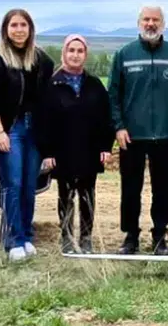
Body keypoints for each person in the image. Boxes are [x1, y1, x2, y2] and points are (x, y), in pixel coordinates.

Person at [108, 5, 168, 255]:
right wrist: (118, 126)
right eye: (146, 19)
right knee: (131, 188)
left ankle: (159, 236)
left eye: (155, 20)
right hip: (132, 135)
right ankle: (131, 236)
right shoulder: (125, 54)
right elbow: (113, 95)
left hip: (165, 134)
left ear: (163, 24)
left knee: (163, 188)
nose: (150, 24)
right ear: (139, 23)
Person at [0, 8, 54, 262]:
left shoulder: (42, 61)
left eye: (23, 25)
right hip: (10, 128)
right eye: (14, 25)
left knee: (29, 186)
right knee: (13, 184)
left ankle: (26, 236)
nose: (19, 30)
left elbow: (46, 100)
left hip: (36, 129)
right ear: (6, 30)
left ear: (30, 29)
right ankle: (12, 241)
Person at [35, 34, 114, 254]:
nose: (75, 55)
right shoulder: (52, 84)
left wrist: (106, 147)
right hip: (63, 151)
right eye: (71, 50)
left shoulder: (95, 84)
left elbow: (105, 119)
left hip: (89, 150)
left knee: (88, 196)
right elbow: (44, 121)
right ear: (64, 53)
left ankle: (86, 238)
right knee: (66, 195)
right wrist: (47, 152)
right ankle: (67, 238)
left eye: (80, 51)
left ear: (85, 55)